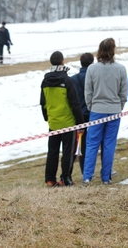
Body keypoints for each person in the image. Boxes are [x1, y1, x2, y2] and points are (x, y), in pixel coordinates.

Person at [82, 38, 128, 186]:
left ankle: (87, 177)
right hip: (114, 110)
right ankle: (106, 177)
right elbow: (123, 91)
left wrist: (91, 106)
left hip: (96, 110)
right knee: (109, 144)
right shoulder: (120, 69)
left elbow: (88, 91)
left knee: (92, 144)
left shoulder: (92, 69)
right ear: (112, 50)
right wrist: (119, 106)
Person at [40, 51, 84, 187]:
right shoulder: (67, 80)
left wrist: (47, 117)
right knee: (68, 152)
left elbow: (43, 102)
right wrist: (80, 122)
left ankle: (50, 179)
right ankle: (65, 178)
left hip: (53, 122)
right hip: (68, 123)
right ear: (62, 62)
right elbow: (75, 103)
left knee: (52, 151)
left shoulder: (45, 81)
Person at [71, 53, 94, 174]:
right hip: (94, 114)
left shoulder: (73, 79)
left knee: (81, 145)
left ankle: (83, 170)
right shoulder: (94, 77)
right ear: (92, 62)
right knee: (95, 142)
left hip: (79, 117)